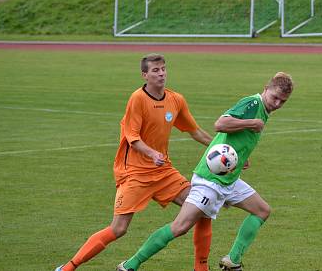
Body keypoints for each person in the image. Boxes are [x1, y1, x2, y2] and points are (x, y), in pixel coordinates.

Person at [116, 72, 295, 271]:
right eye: (274, 97)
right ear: (266, 89)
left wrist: (240, 158)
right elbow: (221, 124)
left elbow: (235, 140)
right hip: (211, 179)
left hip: (229, 177)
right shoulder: (253, 104)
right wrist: (251, 123)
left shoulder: (264, 110)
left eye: (282, 101)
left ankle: (233, 260)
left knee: (262, 211)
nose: (277, 103)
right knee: (180, 227)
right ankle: (130, 265)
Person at [55, 54, 214, 271]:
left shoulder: (175, 100)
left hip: (163, 172)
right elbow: (133, 138)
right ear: (145, 75)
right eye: (156, 70)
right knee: (118, 229)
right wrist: (152, 154)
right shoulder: (137, 99)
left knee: (202, 208)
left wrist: (223, 149)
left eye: (163, 69)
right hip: (135, 174)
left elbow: (195, 132)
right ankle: (67, 268)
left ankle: (201, 268)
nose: (161, 74)